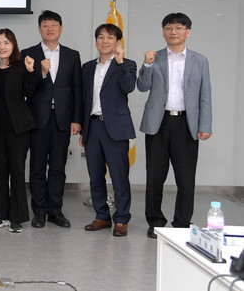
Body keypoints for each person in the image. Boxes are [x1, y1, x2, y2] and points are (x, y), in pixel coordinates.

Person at [138, 13, 212, 239]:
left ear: (188, 32)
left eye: (179, 28)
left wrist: (205, 124)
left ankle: (182, 223)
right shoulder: (155, 57)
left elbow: (205, 94)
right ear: (163, 32)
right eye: (168, 28)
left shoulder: (200, 60)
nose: (173, 32)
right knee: (155, 177)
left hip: (186, 124)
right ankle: (155, 222)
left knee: (186, 178)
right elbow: (142, 86)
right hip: (158, 123)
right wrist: (147, 64)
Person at [21, 10, 83, 229]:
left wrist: (76, 119)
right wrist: (41, 73)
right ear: (39, 29)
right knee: (37, 167)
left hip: (62, 119)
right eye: (45, 25)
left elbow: (77, 89)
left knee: (58, 167)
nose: (50, 29)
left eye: (54, 25)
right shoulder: (28, 54)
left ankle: (55, 210)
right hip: (37, 119)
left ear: (61, 28)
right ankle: (39, 212)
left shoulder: (72, 55)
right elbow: (25, 88)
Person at [80, 24, 136, 237]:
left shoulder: (127, 64)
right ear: (96, 41)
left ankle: (121, 219)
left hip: (116, 128)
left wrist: (120, 62)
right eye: (101, 37)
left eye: (110, 37)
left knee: (119, 176)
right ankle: (102, 216)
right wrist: (83, 128)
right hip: (93, 126)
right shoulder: (87, 67)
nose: (105, 41)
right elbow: (83, 99)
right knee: (95, 175)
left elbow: (129, 87)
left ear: (117, 42)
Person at [0, 28, 36, 234]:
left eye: (6, 42)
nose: (2, 47)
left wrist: (30, 71)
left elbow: (30, 92)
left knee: (17, 172)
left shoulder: (21, 67)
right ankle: (1, 216)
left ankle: (17, 218)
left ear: (13, 46)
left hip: (18, 129)